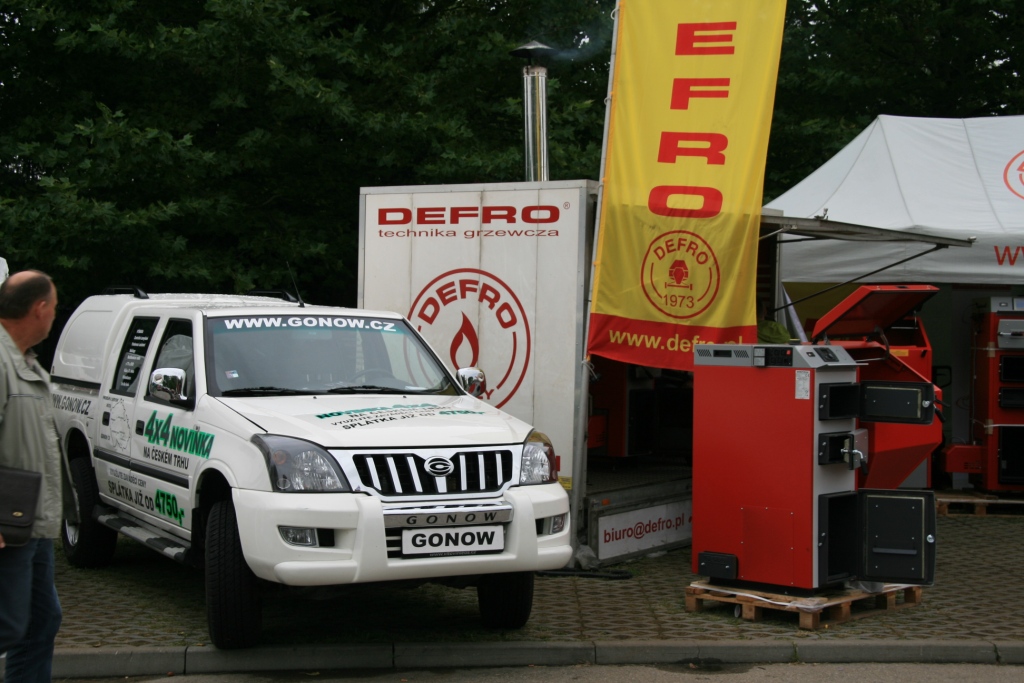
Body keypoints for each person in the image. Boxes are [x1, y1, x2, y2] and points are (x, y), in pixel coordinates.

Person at [0, 270, 74, 682]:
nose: (53, 316)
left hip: (32, 523)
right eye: (55, 306)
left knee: (41, 621)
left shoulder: (23, 362)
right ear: (39, 308)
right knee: (9, 625)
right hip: (6, 524)